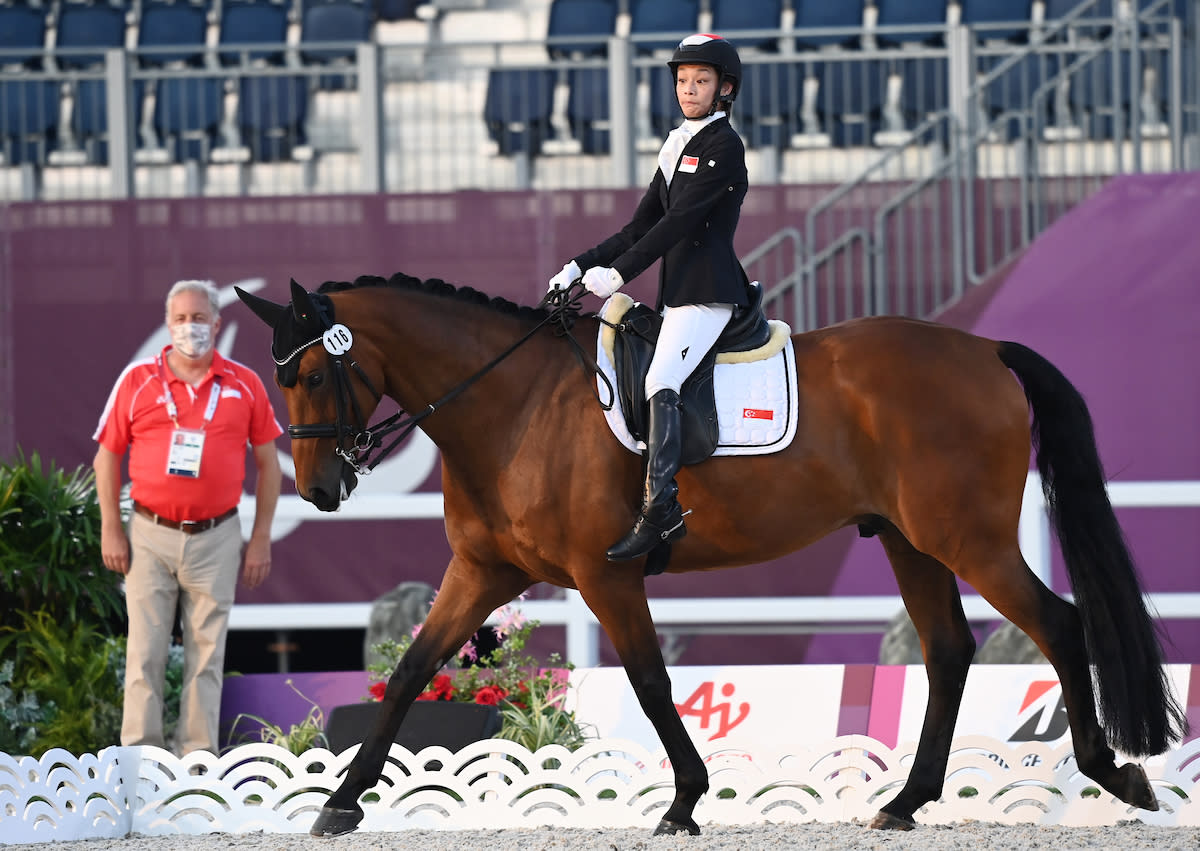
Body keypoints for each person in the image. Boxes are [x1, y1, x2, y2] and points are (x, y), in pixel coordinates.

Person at [547, 33, 753, 563]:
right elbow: (642, 225)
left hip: (708, 293)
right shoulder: (678, 142)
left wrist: (618, 276)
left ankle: (660, 509)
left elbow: (682, 223)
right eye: (683, 81)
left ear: (724, 89)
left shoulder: (723, 146)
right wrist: (581, 263)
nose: (689, 89)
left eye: (701, 81)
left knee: (662, 378)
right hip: (678, 293)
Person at [93, 279, 283, 756]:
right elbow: (106, 457)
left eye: (199, 318)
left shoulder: (244, 383)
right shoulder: (137, 381)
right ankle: (142, 758)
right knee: (145, 652)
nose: (189, 328)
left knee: (207, 655)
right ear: (167, 324)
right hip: (148, 533)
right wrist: (111, 528)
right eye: (180, 319)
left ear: (217, 324)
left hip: (217, 535)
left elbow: (268, 466)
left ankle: (197, 759)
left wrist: (260, 540)